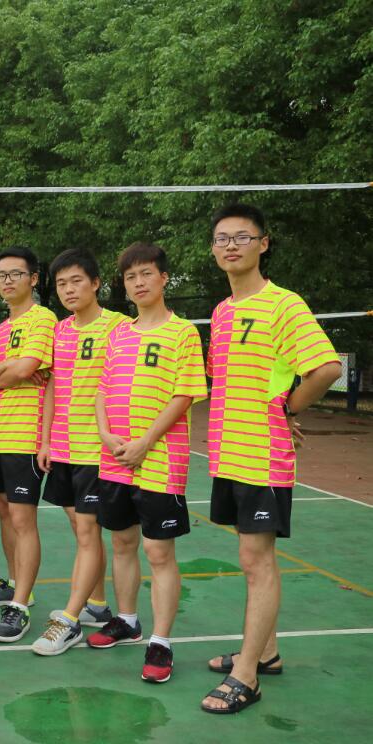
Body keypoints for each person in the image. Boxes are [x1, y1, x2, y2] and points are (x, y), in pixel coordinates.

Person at [200, 204, 341, 713]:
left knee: (255, 561)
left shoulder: (284, 305)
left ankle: (247, 676)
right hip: (229, 453)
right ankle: (267, 652)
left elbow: (325, 368)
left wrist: (288, 408)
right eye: (222, 238)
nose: (231, 245)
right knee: (253, 557)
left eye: (242, 237)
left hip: (262, 456)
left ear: (263, 244)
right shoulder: (222, 311)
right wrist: (278, 401)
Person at [87, 242, 207, 684]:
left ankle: (161, 641)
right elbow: (102, 390)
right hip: (114, 457)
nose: (138, 283)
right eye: (130, 276)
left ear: (163, 278)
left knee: (158, 551)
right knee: (122, 542)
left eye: (146, 274)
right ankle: (127, 620)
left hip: (160, 459)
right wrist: (105, 434)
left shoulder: (183, 332)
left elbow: (183, 395)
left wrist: (145, 442)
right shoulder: (119, 333)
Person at [30, 248, 125, 656]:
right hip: (64, 448)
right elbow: (52, 386)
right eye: (62, 284)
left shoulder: (119, 327)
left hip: (96, 450)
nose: (69, 290)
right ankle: (98, 605)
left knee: (88, 532)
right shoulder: (61, 330)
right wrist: (46, 439)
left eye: (77, 281)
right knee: (80, 529)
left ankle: (68, 621)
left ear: (96, 283)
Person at [0, 246, 57, 642]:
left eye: (15, 274)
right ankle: (15, 583)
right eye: (1, 275)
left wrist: (2, 372)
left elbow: (24, 369)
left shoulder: (43, 319)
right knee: (5, 512)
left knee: (23, 520)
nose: (7, 281)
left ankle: (19, 606)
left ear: (33, 279)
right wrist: (9, 371)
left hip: (26, 433)